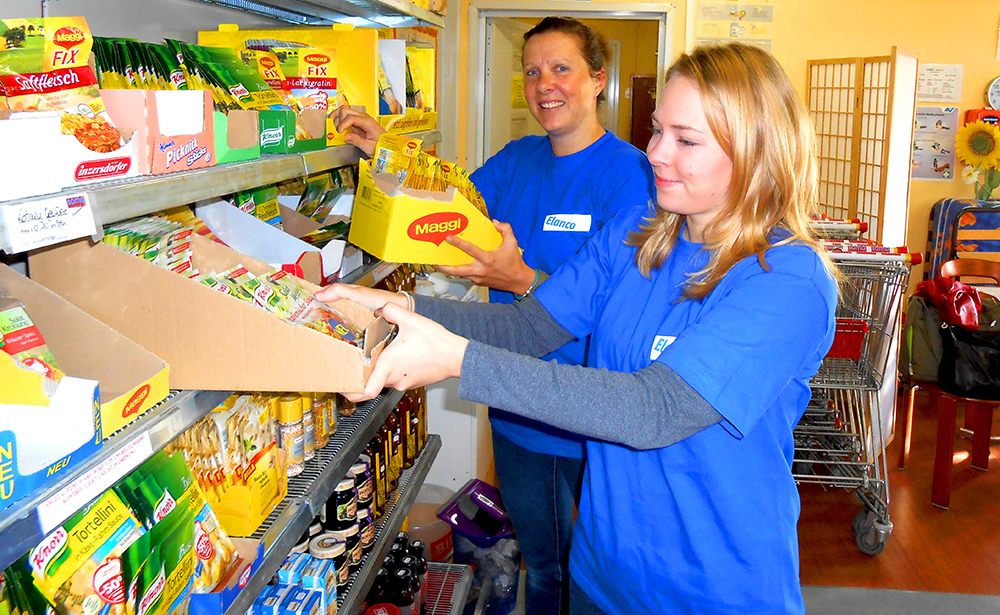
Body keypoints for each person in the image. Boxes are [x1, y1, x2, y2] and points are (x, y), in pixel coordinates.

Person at [321, 41, 840, 614]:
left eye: (686, 140)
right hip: (603, 574)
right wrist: (396, 308)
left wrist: (460, 360)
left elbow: (655, 409)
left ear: (756, 153)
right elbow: (528, 328)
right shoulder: (639, 231)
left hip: (709, 588)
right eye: (656, 129)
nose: (656, 154)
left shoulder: (787, 278)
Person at [332, 17, 654, 615]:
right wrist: (386, 155)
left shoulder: (632, 176)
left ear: (598, 80)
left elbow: (625, 306)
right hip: (513, 405)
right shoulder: (517, 160)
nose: (544, 84)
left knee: (594, 575)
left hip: (590, 412)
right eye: (532, 71)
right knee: (543, 564)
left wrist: (522, 279)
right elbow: (448, 213)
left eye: (561, 68)